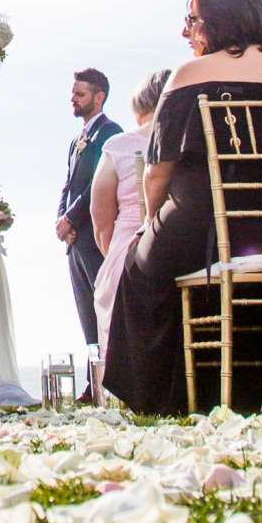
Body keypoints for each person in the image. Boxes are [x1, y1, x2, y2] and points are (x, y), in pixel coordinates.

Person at [104, 0, 262, 415]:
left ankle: (163, 399)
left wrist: (150, 220)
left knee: (139, 271)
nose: (185, 32)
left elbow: (158, 170)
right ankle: (250, 389)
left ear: (219, 20)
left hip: (206, 220)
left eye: (192, 19)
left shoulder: (190, 75)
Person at [89, 69, 169, 363]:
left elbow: (101, 222)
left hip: (131, 247)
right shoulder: (194, 138)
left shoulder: (119, 145)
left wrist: (115, 257)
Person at [56, 69, 121, 349]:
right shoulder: (75, 139)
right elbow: (68, 183)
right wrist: (61, 219)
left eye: (79, 94)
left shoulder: (110, 133)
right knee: (84, 309)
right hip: (74, 239)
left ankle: (109, 373)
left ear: (99, 97)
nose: (73, 99)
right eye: (72, 94)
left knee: (102, 304)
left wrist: (71, 218)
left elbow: (99, 183)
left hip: (96, 234)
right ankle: (91, 381)